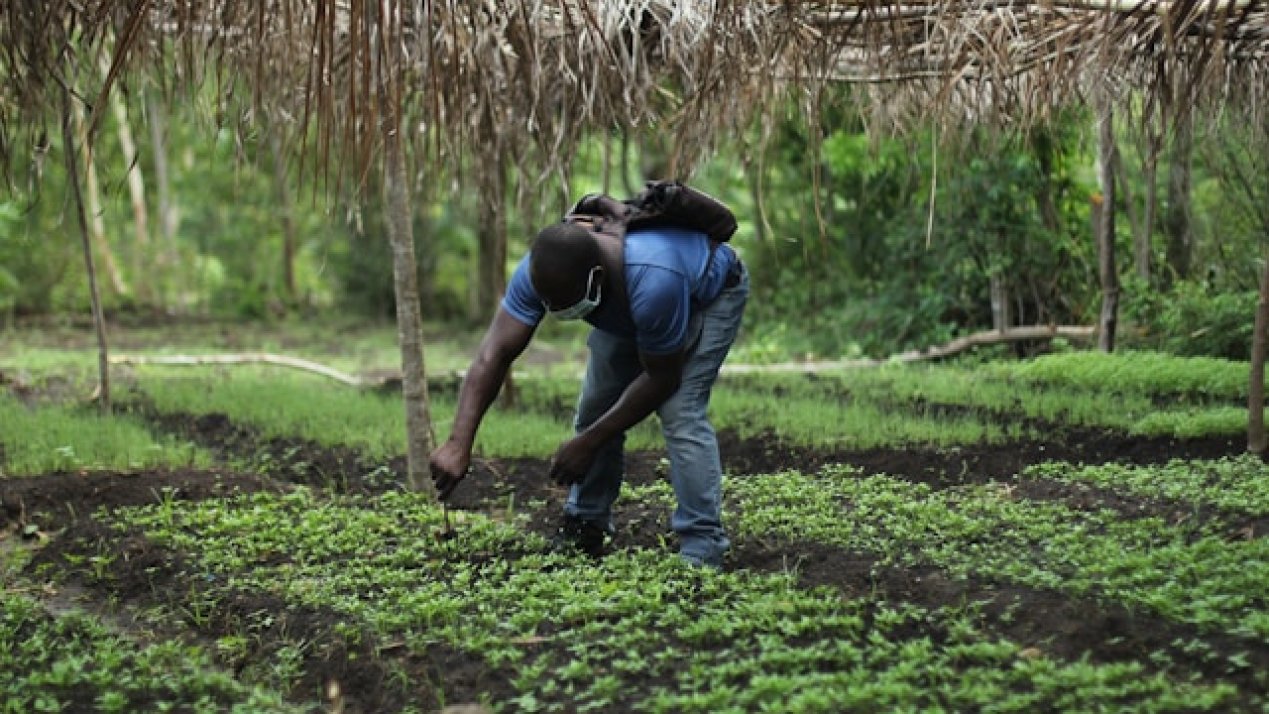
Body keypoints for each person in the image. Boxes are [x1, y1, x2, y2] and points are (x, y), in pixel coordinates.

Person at [428, 198, 748, 568]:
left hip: (705, 294)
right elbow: (493, 354)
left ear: (595, 279)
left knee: (680, 412)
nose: (555, 311)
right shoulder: (541, 270)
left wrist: (588, 443)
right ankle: (586, 524)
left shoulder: (654, 279)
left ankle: (702, 544)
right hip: (627, 305)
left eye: (566, 304)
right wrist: (458, 442)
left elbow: (662, 378)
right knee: (597, 405)